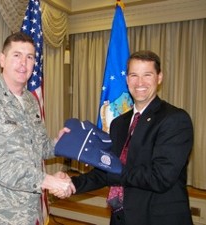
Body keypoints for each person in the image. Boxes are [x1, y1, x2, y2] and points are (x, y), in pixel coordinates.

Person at [56, 50, 194, 225]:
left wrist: (114, 172)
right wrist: (72, 184)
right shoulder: (119, 123)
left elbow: (160, 177)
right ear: (127, 79)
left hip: (158, 218)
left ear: (159, 78)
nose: (140, 82)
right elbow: (106, 166)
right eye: (134, 75)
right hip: (121, 217)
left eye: (147, 75)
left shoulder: (175, 119)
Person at [0, 32, 75, 225]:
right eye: (17, 55)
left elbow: (37, 146)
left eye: (30, 57)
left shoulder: (31, 101)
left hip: (28, 214)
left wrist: (59, 143)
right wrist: (48, 181)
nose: (24, 63)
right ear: (2, 59)